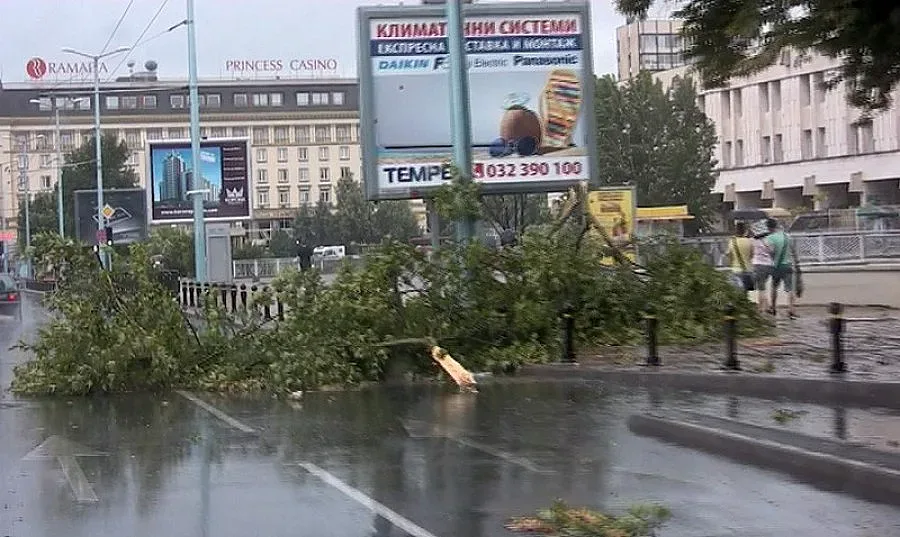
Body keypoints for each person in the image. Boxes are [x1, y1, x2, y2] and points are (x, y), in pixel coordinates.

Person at [764, 218, 798, 319]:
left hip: (776, 266)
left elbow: (771, 252)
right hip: (788, 265)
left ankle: (773, 307)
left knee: (774, 287)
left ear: (768, 228)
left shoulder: (770, 238)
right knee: (790, 289)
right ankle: (791, 309)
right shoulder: (787, 237)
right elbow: (793, 252)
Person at [726, 222, 754, 294]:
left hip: (736, 270)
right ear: (744, 231)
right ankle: (745, 302)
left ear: (735, 230)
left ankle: (741, 303)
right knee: (746, 291)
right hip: (748, 269)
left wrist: (731, 263)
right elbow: (752, 255)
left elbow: (729, 255)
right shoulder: (749, 241)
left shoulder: (732, 242)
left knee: (737, 291)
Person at [751, 227, 774, 313]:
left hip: (757, 265)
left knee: (761, 288)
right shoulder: (768, 242)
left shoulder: (754, 241)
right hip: (768, 265)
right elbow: (772, 252)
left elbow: (751, 251)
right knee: (762, 286)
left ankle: (760, 308)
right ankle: (768, 307)